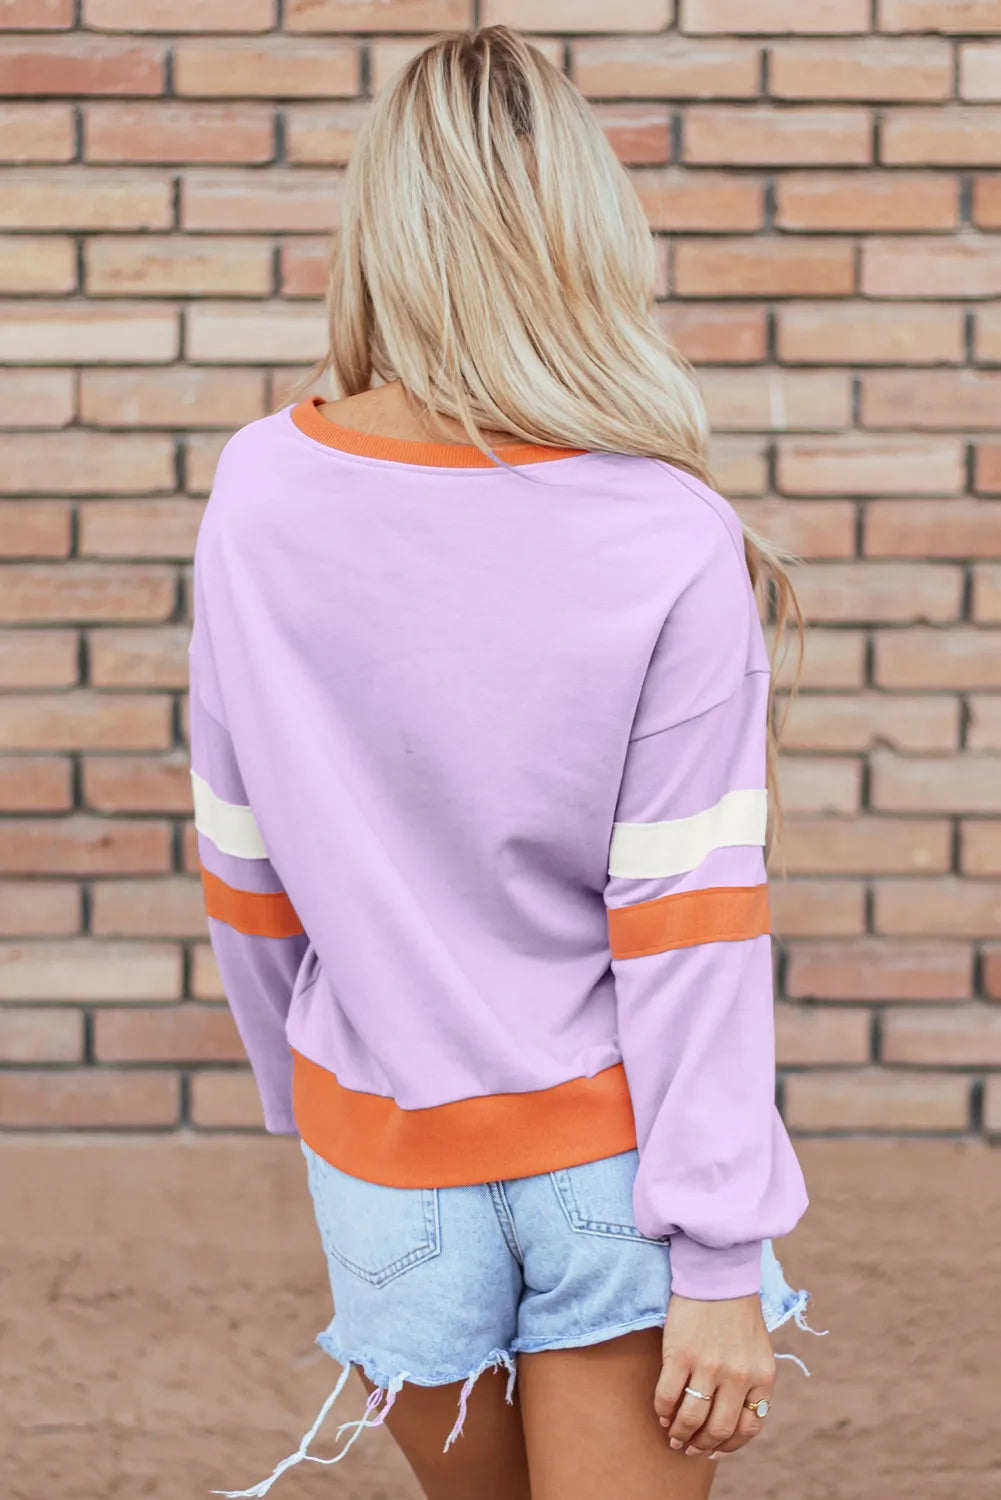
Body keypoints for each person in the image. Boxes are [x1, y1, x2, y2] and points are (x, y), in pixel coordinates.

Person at [188, 25, 819, 1500]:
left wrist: (314, 1101)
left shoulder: (258, 485)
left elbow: (241, 849)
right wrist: (719, 1247)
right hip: (613, 1157)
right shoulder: (663, 530)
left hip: (382, 1140)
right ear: (585, 233)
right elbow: (690, 919)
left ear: (381, 230)